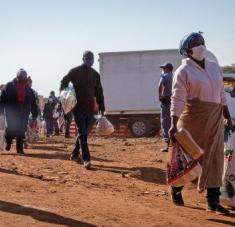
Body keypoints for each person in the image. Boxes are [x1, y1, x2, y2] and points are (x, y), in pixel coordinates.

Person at [169, 32, 233, 214]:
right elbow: (178, 99)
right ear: (187, 50)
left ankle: (213, 203)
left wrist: (226, 115)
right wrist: (173, 123)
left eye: (202, 42)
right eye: (196, 43)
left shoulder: (214, 67)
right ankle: (176, 189)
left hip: (214, 118)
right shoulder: (183, 71)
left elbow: (221, 93)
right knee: (190, 159)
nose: (201, 46)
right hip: (193, 119)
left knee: (215, 159)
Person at [60, 50, 105, 169]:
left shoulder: (95, 74)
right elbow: (63, 82)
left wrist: (102, 106)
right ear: (83, 59)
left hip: (90, 108)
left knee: (84, 133)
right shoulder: (74, 71)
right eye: (88, 58)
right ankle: (86, 159)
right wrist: (65, 96)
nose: (90, 61)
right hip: (77, 107)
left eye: (92, 59)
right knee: (83, 133)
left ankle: (75, 154)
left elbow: (99, 91)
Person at [0, 69, 38, 154]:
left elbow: (33, 102)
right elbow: (2, 99)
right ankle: (9, 141)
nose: (22, 79)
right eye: (21, 77)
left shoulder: (28, 89)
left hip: (24, 113)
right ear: (17, 77)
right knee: (11, 129)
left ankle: (19, 148)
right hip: (11, 113)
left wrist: (34, 114)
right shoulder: (9, 86)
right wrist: (1, 111)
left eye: (24, 78)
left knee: (21, 130)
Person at [158, 63, 173, 152]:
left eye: (163, 68)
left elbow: (160, 86)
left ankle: (168, 146)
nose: (162, 69)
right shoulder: (175, 76)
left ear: (167, 69)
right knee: (174, 122)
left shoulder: (164, 76)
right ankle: (176, 145)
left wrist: (160, 97)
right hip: (175, 101)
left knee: (165, 122)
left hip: (166, 101)